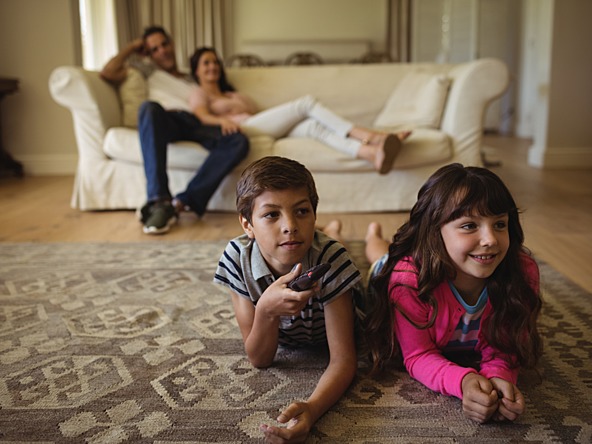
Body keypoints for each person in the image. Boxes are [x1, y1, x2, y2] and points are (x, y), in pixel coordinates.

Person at [324, 163, 543, 424]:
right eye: (469, 226)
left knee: (379, 248)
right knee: (375, 255)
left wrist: (499, 377)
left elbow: (506, 345)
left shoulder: (522, 272)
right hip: (391, 274)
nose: (491, 239)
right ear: (434, 231)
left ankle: (370, 233)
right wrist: (463, 381)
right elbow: (418, 355)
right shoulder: (408, 280)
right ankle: (341, 233)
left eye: (499, 224)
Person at [213, 156, 363, 443]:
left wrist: (313, 408)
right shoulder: (236, 258)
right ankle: (334, 232)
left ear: (314, 215)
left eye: (302, 211)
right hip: (313, 254)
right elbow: (259, 359)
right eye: (271, 215)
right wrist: (267, 310)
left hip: (330, 260)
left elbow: (344, 360)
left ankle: (365, 237)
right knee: (328, 243)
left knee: (375, 261)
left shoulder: (331, 260)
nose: (290, 226)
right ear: (247, 225)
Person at [100, 26, 249, 234]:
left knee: (238, 140)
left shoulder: (192, 76)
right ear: (148, 54)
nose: (162, 51)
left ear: (172, 44)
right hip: (167, 119)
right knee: (148, 108)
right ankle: (159, 201)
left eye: (164, 44)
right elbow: (108, 72)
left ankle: (183, 202)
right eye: (154, 49)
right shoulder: (148, 71)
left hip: (197, 122)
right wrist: (133, 47)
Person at [188, 47, 411, 175]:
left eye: (215, 62)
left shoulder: (231, 93)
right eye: (206, 63)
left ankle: (370, 154)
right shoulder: (199, 92)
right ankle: (370, 136)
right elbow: (200, 115)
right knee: (306, 104)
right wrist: (222, 122)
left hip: (261, 125)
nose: (213, 66)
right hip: (244, 129)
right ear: (196, 70)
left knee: (313, 127)